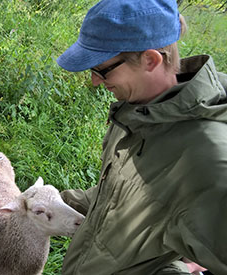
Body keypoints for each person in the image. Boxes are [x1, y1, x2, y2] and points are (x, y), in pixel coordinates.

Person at [57, 0, 227, 274]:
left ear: (150, 59)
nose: (95, 82)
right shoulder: (137, 111)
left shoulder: (209, 161)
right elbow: (124, 192)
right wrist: (53, 201)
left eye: (102, 69)